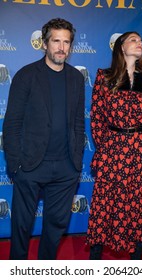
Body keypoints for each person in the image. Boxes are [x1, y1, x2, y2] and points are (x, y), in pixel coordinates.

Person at [3, 18, 85, 260]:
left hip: (65, 167)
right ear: (44, 44)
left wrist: (76, 162)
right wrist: (16, 164)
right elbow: (12, 123)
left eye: (66, 42)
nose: (61, 47)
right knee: (21, 226)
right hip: (30, 164)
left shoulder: (76, 78)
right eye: (56, 41)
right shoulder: (26, 75)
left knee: (55, 228)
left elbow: (79, 122)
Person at [86, 31, 142, 260]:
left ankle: (136, 259)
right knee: (105, 201)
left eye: (141, 41)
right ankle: (95, 259)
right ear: (121, 47)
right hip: (113, 148)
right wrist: (104, 147)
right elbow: (97, 117)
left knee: (139, 201)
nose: (140, 43)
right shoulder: (105, 77)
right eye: (134, 40)